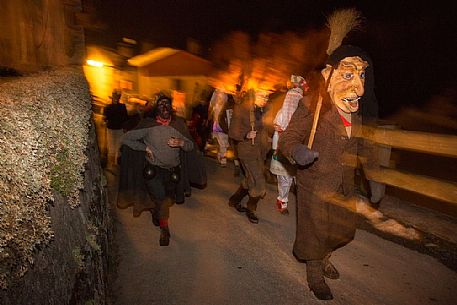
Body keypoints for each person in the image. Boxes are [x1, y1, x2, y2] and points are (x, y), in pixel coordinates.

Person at [279, 45, 378, 300]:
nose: (359, 87)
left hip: (344, 182)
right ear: (329, 76)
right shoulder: (312, 105)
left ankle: (325, 257)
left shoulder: (358, 113)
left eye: (362, 76)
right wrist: (297, 151)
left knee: (340, 229)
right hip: (315, 180)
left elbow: (365, 145)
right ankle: (314, 273)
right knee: (315, 229)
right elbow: (288, 139)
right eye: (348, 75)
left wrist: (374, 176)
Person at [119, 95, 194, 246]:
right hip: (153, 170)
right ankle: (164, 230)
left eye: (167, 104)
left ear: (171, 108)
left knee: (167, 198)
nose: (165, 107)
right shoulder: (149, 125)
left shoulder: (178, 124)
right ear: (156, 109)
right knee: (162, 200)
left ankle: (156, 211)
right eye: (161, 105)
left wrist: (181, 142)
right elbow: (126, 138)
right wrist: (144, 147)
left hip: (172, 171)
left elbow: (191, 146)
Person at [228, 89, 272, 224]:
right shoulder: (242, 109)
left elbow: (266, 127)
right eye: (261, 95)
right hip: (247, 151)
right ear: (253, 95)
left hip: (260, 150)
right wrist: (246, 135)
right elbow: (233, 132)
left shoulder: (264, 110)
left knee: (249, 178)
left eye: (266, 96)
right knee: (258, 181)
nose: (265, 98)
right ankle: (251, 208)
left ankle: (234, 200)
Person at [270, 75, 308, 214]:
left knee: (300, 178)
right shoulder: (281, 114)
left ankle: (303, 205)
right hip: (284, 151)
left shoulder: (304, 116)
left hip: (299, 150)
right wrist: (275, 149)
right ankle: (283, 201)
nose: (293, 102)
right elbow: (276, 133)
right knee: (285, 178)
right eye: (291, 98)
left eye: (296, 98)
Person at [104, 89, 128, 167]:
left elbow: (105, 118)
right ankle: (113, 164)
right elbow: (125, 118)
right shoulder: (121, 107)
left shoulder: (108, 107)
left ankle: (113, 164)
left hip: (115, 128)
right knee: (114, 146)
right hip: (114, 128)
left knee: (115, 146)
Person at [209, 88, 230, 167]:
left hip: (223, 127)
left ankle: (220, 156)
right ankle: (223, 159)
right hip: (216, 127)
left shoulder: (226, 107)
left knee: (224, 144)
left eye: (222, 97)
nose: (220, 99)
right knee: (222, 144)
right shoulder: (213, 106)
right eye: (219, 97)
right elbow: (211, 117)